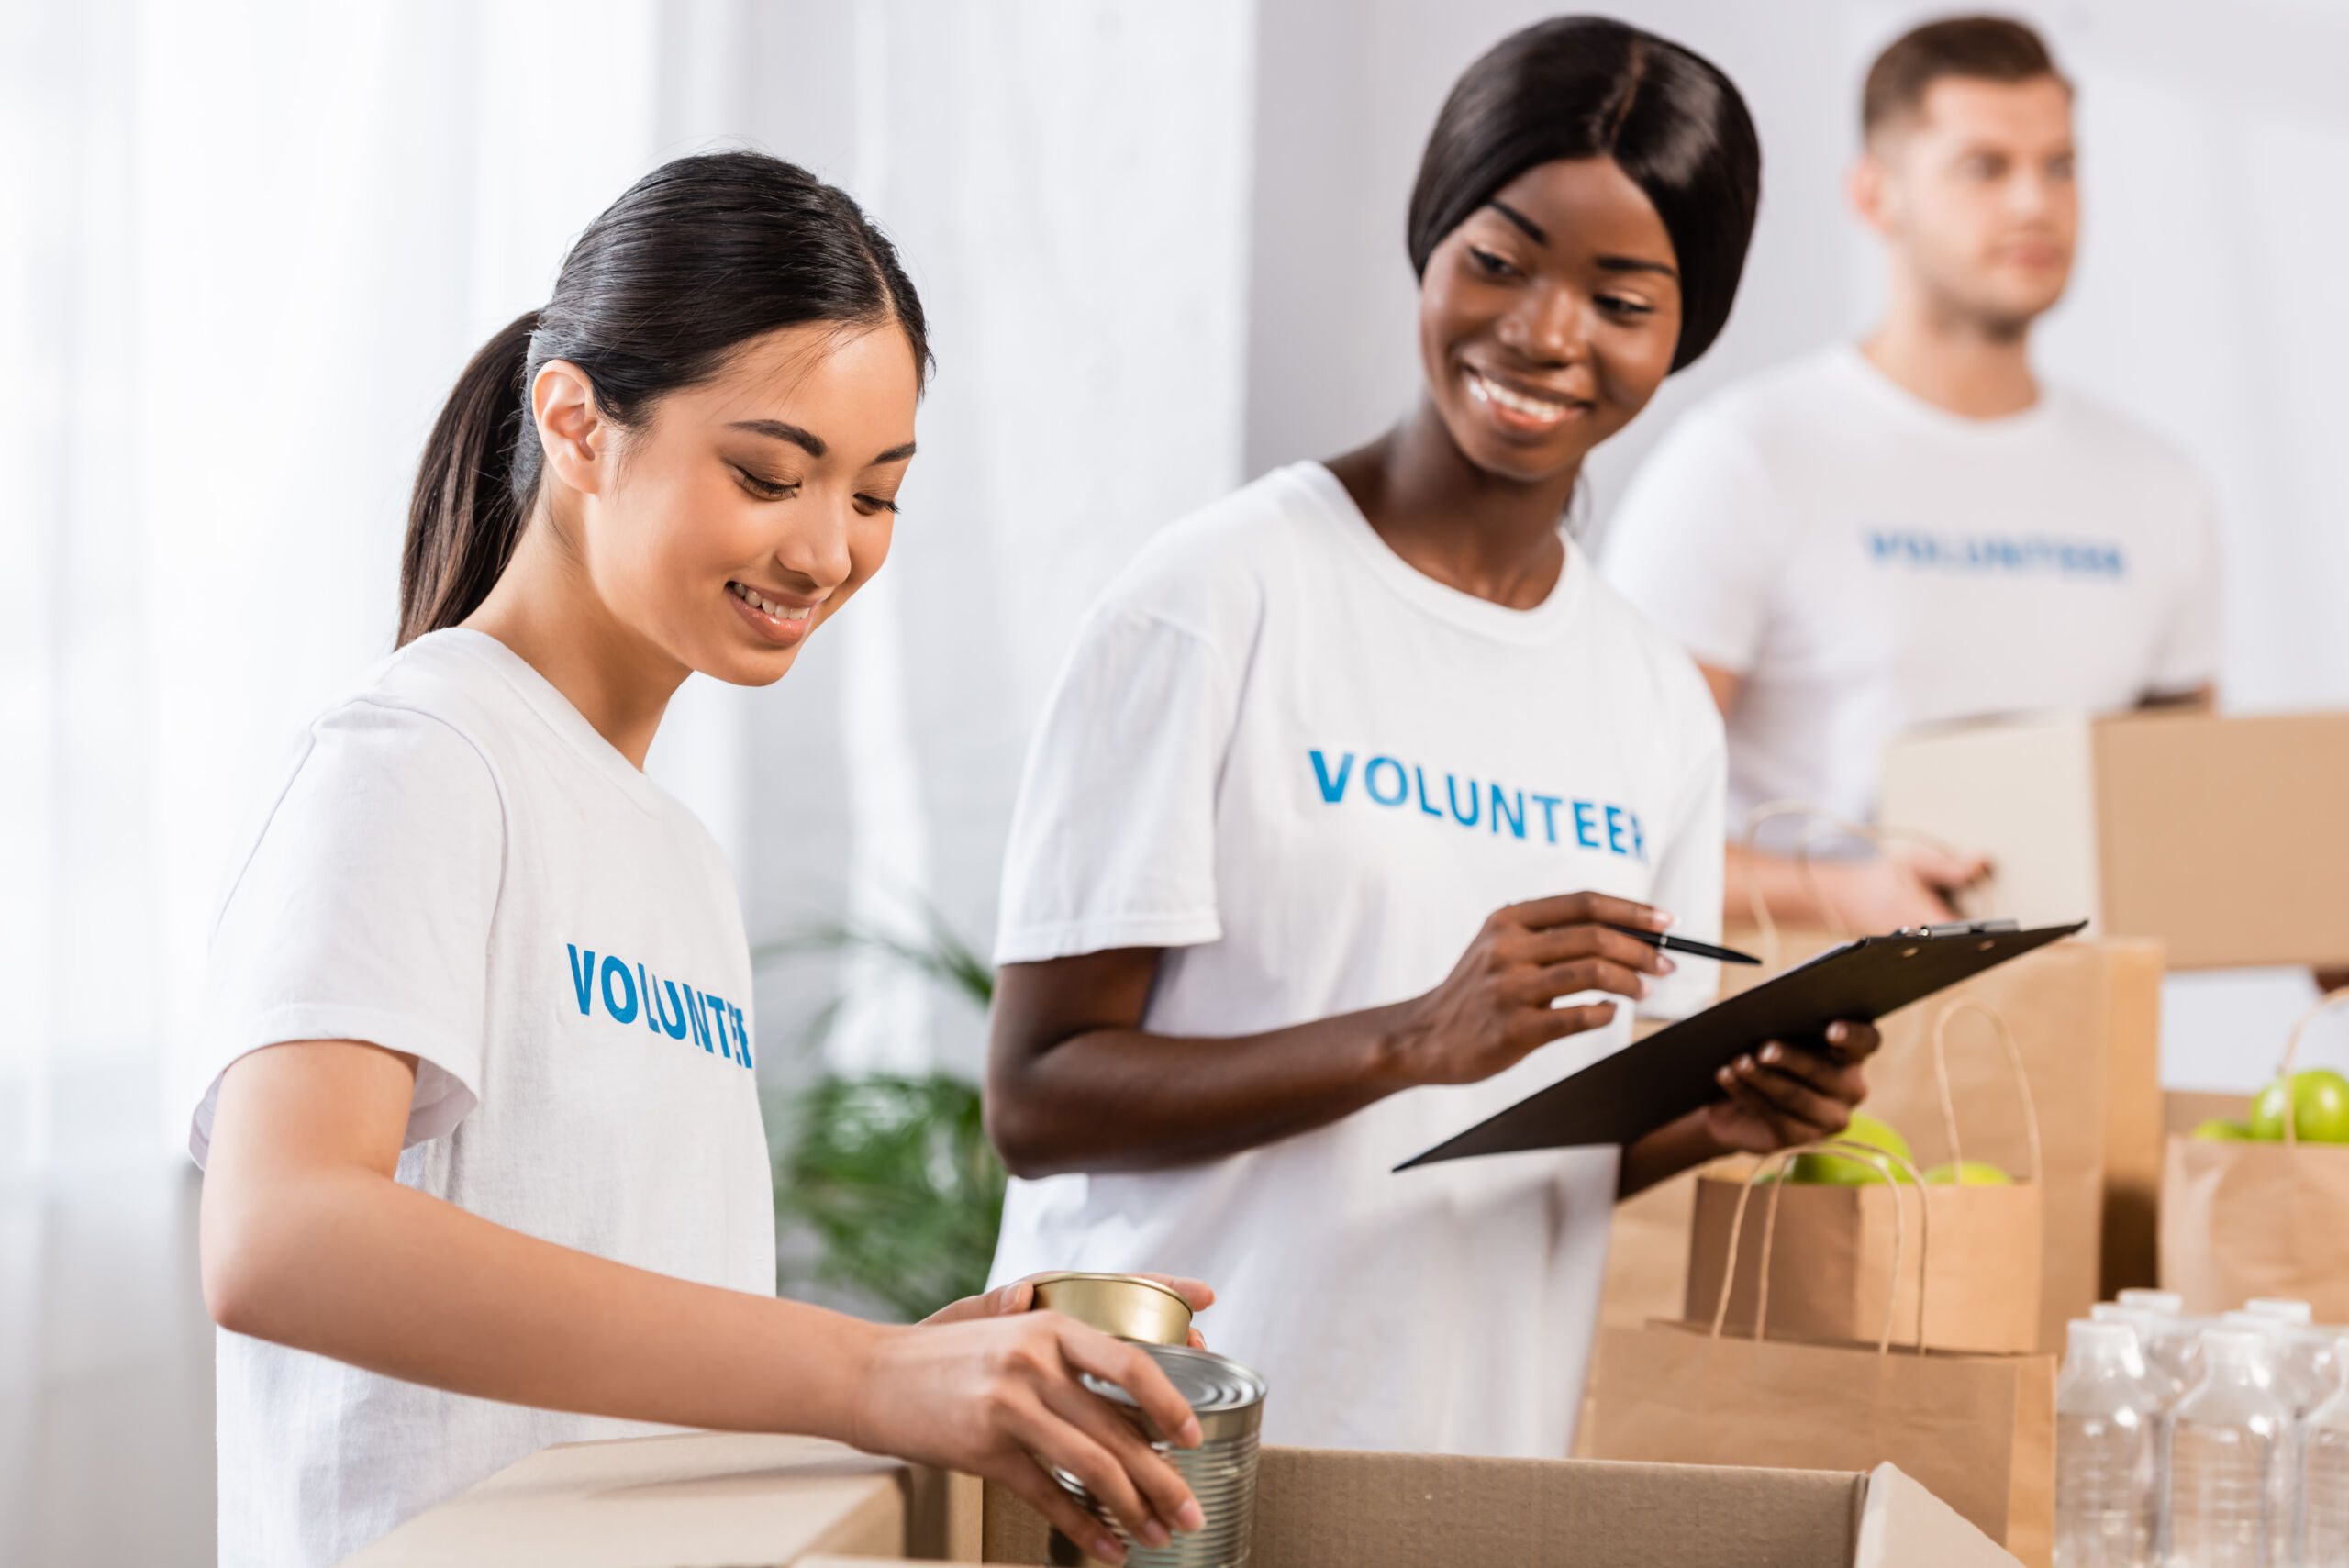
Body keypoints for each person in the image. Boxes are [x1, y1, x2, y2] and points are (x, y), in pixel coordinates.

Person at [190, 152, 1212, 1568]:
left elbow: (611, 1374)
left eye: (876, 495)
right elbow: (281, 1234)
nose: (826, 550)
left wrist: (910, 1377)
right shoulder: (422, 754)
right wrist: (856, 1374)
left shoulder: (674, 855)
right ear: (577, 424)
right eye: (770, 473)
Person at [982, 17, 1882, 1460]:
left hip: (1466, 1470)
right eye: (1500, 259)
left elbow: (1555, 1134)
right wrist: (1411, 1036)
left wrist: (1724, 1116)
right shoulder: (1217, 598)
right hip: (1157, 1468)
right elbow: (1036, 1099)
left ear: (1684, 333)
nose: (1542, 331)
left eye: (1620, 296)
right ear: (1430, 243)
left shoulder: (1653, 700)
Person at [1599, 15, 2221, 932]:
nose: (2031, 204)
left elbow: (2197, 815)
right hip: (1805, 1049)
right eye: (1984, 166)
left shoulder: (2159, 486)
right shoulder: (1748, 458)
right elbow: (1606, 825)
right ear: (1874, 194)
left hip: (2082, 1040)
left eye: (2059, 165)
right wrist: (1845, 891)